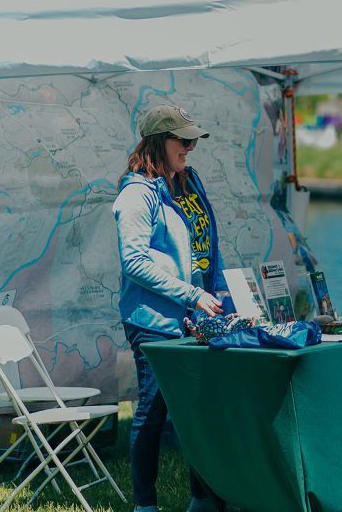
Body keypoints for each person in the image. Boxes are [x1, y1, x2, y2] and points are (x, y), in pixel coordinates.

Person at [113, 104, 232, 512]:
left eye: (193, 140)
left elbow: (206, 246)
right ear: (158, 143)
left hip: (194, 315)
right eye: (183, 140)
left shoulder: (188, 180)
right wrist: (191, 295)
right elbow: (134, 262)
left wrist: (217, 297)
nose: (190, 148)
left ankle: (204, 498)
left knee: (198, 410)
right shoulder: (136, 193)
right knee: (154, 408)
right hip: (153, 320)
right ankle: (145, 504)